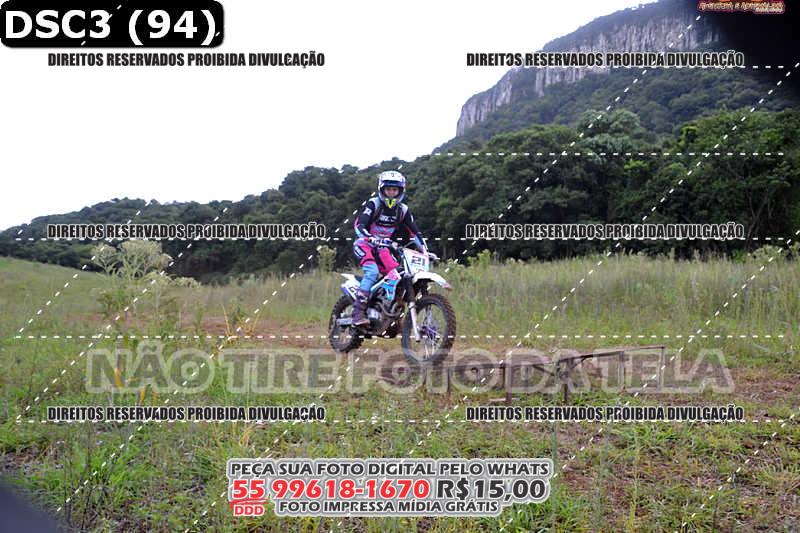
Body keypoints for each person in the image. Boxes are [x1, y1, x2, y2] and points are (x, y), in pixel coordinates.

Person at [351, 170, 427, 326]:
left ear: (400, 191)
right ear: (382, 189)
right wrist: (369, 237)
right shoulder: (374, 204)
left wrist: (424, 250)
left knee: (396, 275)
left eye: (395, 190)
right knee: (372, 272)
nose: (391, 193)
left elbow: (414, 232)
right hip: (364, 244)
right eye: (388, 189)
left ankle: (387, 310)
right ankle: (358, 313)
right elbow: (359, 225)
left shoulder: (403, 210)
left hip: (383, 248)